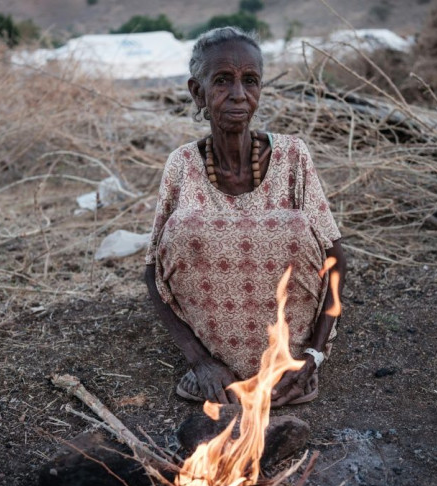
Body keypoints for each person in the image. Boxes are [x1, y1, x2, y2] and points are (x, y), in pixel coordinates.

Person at [145, 27, 346, 407]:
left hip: (292, 360)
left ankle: (289, 367)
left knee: (297, 230)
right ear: (197, 92)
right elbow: (153, 272)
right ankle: (216, 371)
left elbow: (336, 261)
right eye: (222, 81)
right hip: (211, 361)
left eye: (249, 80)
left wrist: (314, 355)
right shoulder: (182, 166)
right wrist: (199, 361)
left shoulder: (292, 157)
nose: (239, 94)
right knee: (183, 231)